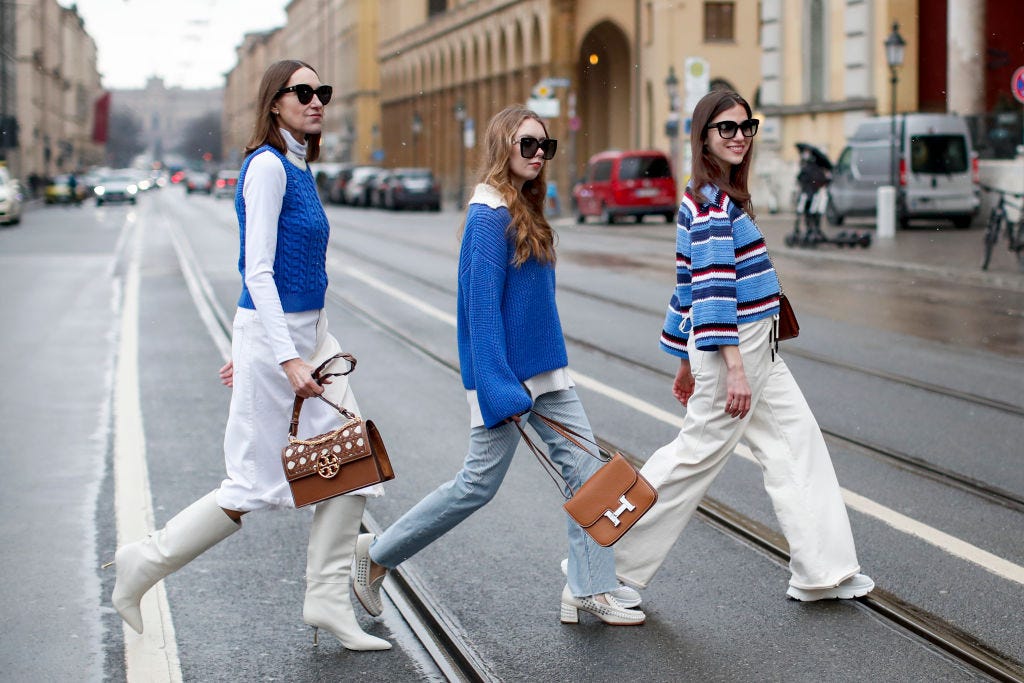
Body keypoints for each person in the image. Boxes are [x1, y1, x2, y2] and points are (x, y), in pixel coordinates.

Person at [108, 59, 390, 651]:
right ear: (274, 102)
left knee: (355, 466)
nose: (317, 101)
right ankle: (143, 564)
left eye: (323, 91)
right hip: (280, 338)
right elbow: (255, 268)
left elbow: (306, 271)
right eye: (303, 92)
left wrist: (290, 347)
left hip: (302, 336)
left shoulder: (297, 164)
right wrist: (277, 355)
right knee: (247, 488)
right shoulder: (265, 167)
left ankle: (326, 598)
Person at [351, 105, 644, 626]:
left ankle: (589, 586)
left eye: (544, 147)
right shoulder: (488, 217)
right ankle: (376, 555)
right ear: (502, 146)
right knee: (476, 486)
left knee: (588, 477)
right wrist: (498, 387)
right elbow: (479, 310)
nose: (536, 155)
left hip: (547, 372)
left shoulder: (525, 207)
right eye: (526, 144)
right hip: (508, 378)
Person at [613, 90, 874, 602]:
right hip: (739, 347)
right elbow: (709, 291)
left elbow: (686, 286)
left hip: (753, 346)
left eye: (745, 127)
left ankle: (823, 569)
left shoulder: (713, 195)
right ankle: (602, 564)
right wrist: (728, 366)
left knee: (796, 442)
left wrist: (686, 359)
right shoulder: (711, 203)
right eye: (725, 129)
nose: (738, 137)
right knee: (694, 455)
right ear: (704, 137)